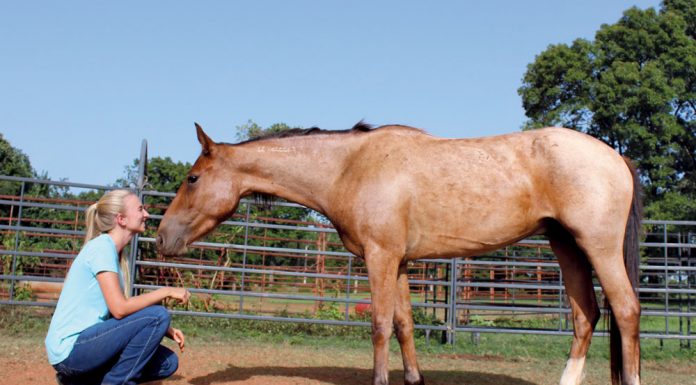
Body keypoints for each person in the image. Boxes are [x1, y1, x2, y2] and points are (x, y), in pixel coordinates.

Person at [45, 189, 191, 385]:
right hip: (72, 350)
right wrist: (165, 292)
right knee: (158, 314)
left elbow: (119, 314)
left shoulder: (114, 253)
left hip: (87, 345)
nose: (146, 214)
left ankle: (79, 380)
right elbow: (120, 309)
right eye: (140, 209)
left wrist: (166, 330)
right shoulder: (102, 248)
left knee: (166, 363)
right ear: (121, 219)